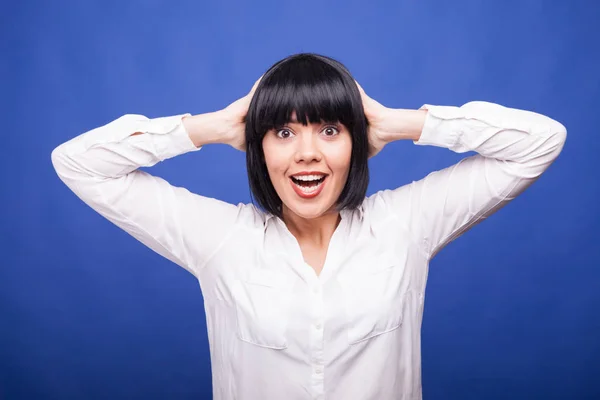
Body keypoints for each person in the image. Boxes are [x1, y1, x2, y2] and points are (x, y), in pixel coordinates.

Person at [51, 53, 567, 400]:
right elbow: (78, 163)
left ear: (356, 141)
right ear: (260, 147)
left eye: (329, 129)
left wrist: (399, 122)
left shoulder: (404, 225)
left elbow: (540, 142)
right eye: (282, 131)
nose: (307, 154)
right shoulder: (222, 240)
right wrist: (209, 127)